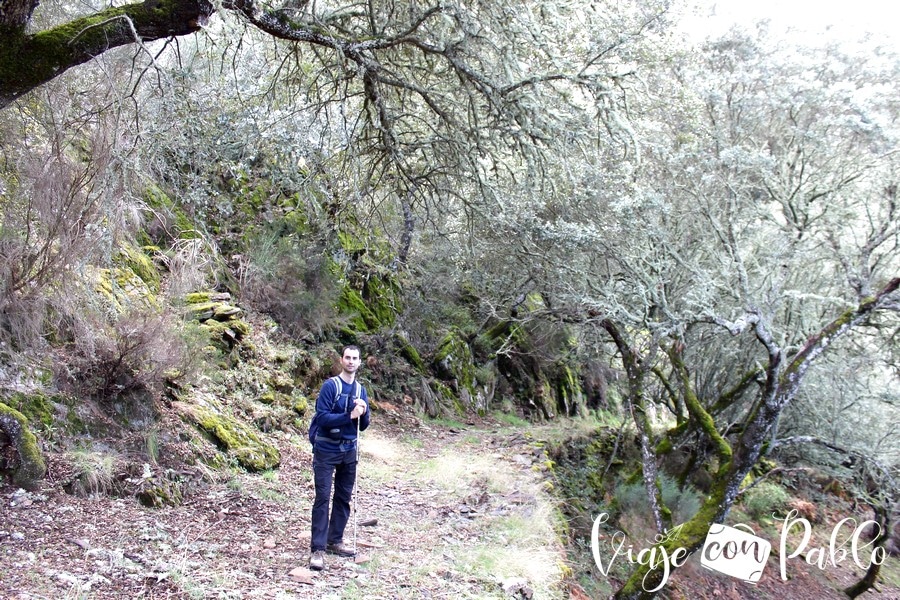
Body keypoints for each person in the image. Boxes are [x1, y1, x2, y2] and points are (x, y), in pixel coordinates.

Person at [309, 345, 370, 571]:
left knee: (343, 498)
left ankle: (335, 540)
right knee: (323, 498)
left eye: (355, 358)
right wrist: (349, 415)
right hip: (326, 450)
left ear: (360, 362)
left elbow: (363, 426)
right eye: (347, 357)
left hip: (349, 450)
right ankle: (317, 549)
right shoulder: (330, 386)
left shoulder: (360, 390)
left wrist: (362, 412)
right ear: (341, 360)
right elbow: (322, 418)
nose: (351, 361)